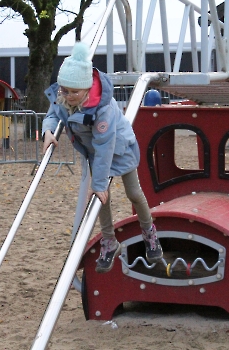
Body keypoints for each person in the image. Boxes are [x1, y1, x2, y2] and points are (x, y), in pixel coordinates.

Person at [42, 42, 163, 273]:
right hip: (94, 152)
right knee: (100, 198)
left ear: (87, 88)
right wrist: (48, 130)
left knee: (132, 193)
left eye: (73, 92)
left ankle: (150, 234)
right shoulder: (65, 96)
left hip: (119, 148)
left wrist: (97, 183)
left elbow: (106, 146)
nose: (67, 96)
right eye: (64, 90)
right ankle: (110, 242)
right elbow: (52, 113)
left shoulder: (102, 110)